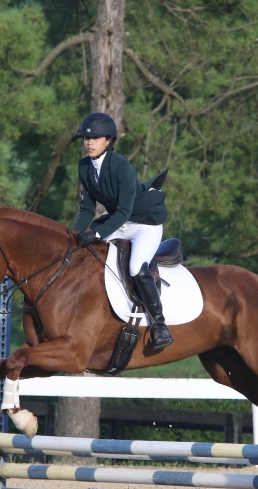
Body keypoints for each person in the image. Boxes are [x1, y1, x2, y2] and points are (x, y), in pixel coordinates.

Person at [71, 112, 174, 349]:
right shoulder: (84, 167)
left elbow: (124, 211)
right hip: (119, 223)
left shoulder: (121, 166)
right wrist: (73, 235)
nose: (89, 142)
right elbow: (87, 208)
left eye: (95, 138)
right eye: (86, 138)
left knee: (136, 267)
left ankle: (160, 326)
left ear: (109, 140)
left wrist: (96, 234)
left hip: (143, 225)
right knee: (89, 257)